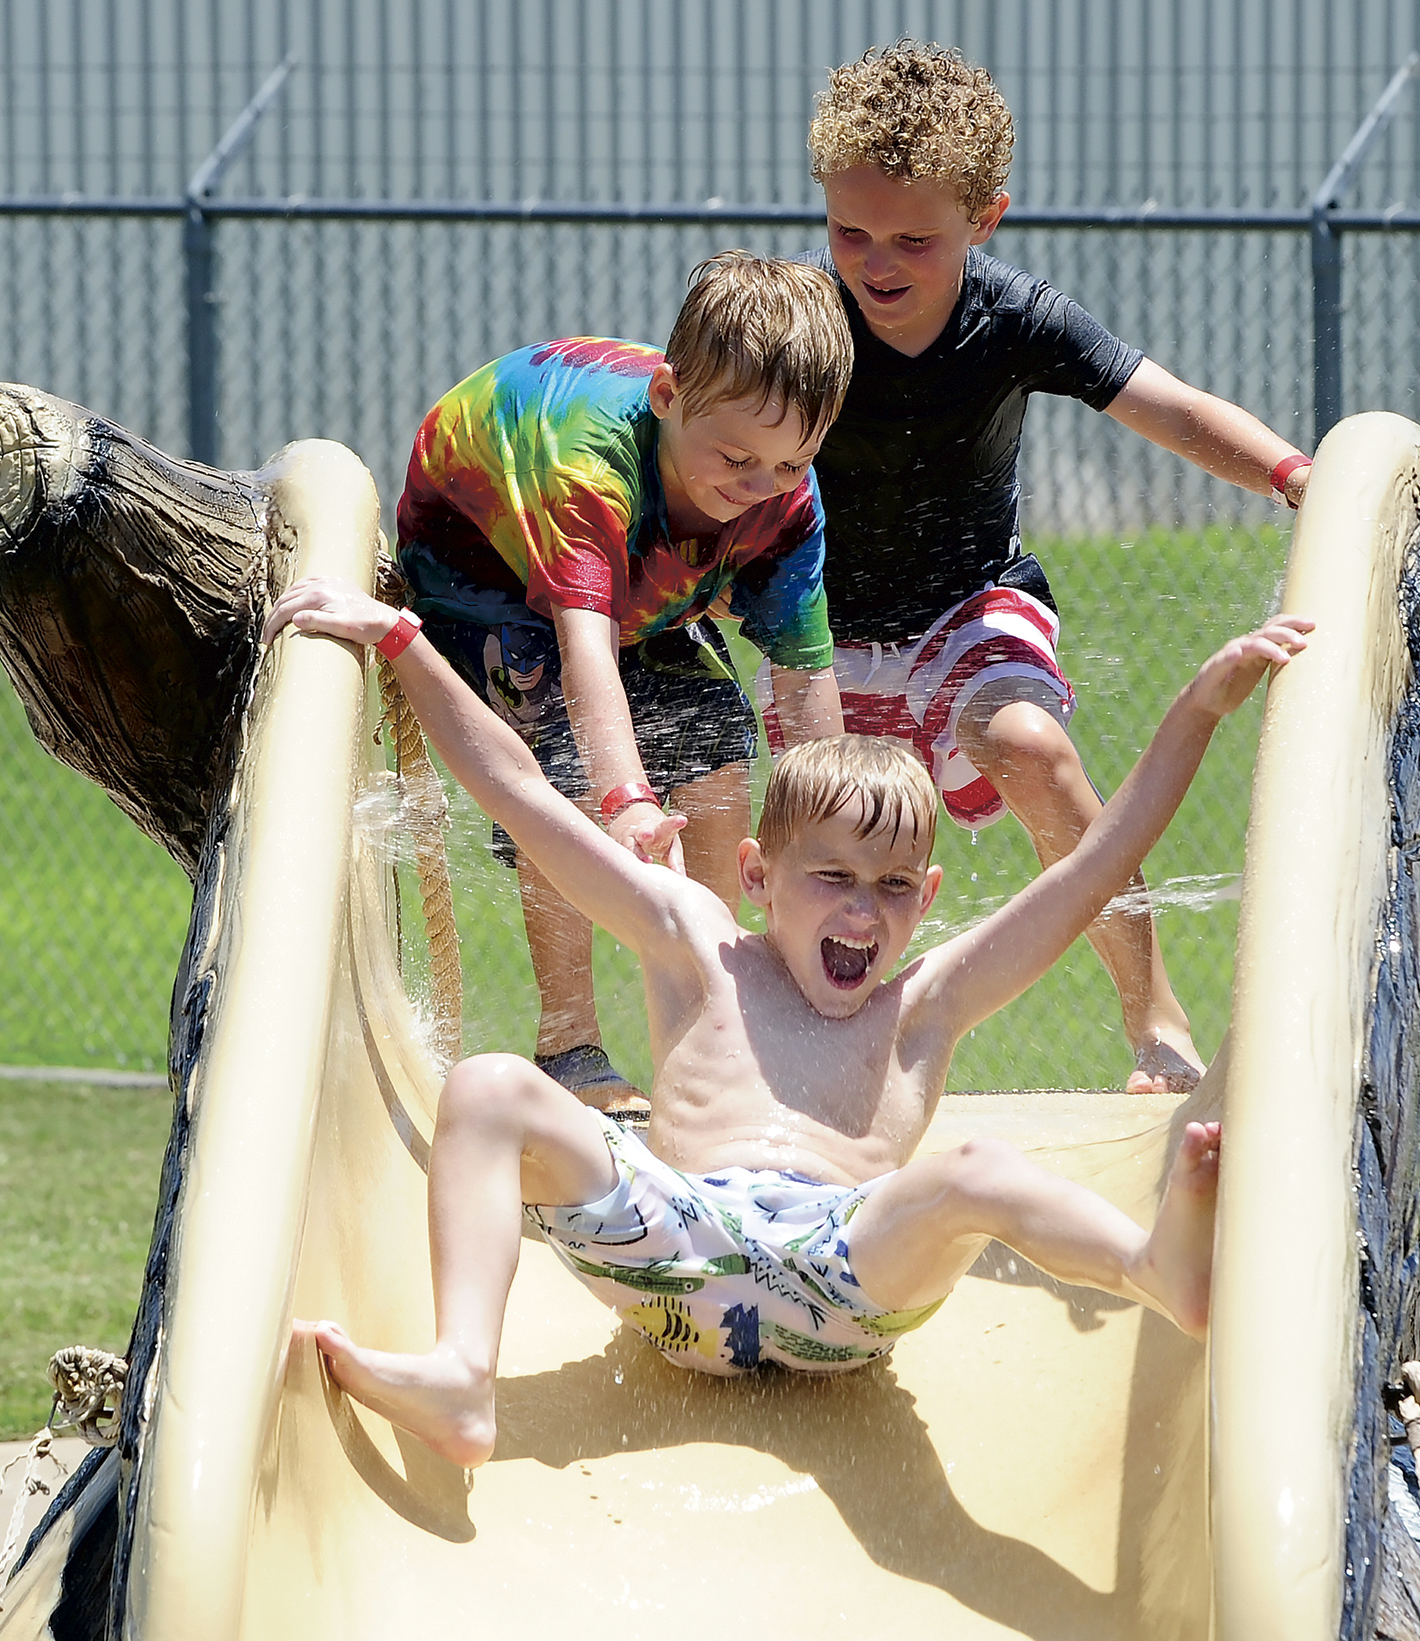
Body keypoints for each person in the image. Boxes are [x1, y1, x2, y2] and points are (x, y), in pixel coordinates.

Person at [265, 571, 1312, 1468]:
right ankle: (463, 1372)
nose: (865, 911)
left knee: (972, 1170)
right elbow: (521, 794)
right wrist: (399, 640)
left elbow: (1091, 863)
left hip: (841, 1279)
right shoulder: (695, 945)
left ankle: (1150, 1269)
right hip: (666, 1250)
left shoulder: (926, 1005)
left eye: (896, 886)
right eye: (833, 879)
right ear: (759, 875)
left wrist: (1201, 707)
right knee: (490, 1084)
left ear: (930, 891)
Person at [791, 40, 1316, 1096]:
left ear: (985, 218)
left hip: (968, 608)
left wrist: (1289, 472)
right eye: (848, 230)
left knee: (1027, 742)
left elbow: (1164, 405)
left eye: (912, 239)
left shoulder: (1014, 317)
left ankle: (1153, 1020)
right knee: (822, 846)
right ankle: (800, 1058)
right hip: (816, 627)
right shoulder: (803, 321)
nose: (875, 262)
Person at [393, 252, 852, 1120]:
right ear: (671, 398)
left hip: (642, 584)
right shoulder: (591, 470)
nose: (758, 489)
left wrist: (835, 831)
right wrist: (628, 799)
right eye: (738, 459)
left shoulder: (783, 494)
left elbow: (803, 672)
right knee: (562, 776)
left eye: (790, 465)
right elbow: (587, 652)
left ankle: (722, 1027)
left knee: (715, 743)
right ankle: (570, 1042)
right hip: (476, 558)